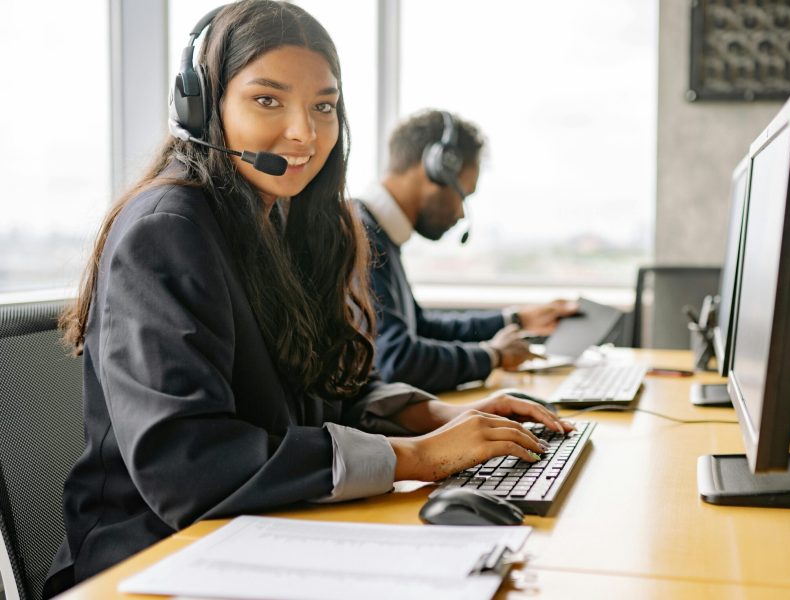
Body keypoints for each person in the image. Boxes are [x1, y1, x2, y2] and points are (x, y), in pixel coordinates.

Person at [44, 2, 570, 595]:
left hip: (258, 535)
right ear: (202, 106)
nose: (305, 132)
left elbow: (328, 387)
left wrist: (437, 417)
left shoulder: (285, 225)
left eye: (324, 106)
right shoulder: (167, 230)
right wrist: (412, 458)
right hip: (147, 561)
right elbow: (186, 467)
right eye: (268, 100)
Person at [357, 110, 579, 393]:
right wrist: (492, 355)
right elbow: (397, 361)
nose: (461, 213)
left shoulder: (380, 233)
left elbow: (421, 327)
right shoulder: (361, 237)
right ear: (436, 168)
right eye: (463, 194)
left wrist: (517, 320)